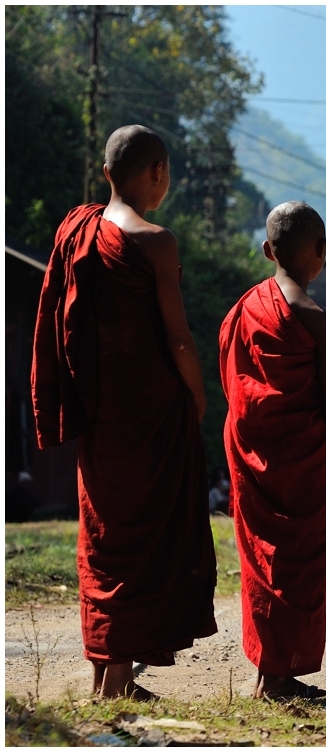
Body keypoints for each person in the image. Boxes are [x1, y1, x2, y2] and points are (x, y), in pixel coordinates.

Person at [31, 124, 217, 699]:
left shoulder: (76, 231)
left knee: (105, 536)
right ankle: (117, 679)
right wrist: (198, 395)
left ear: (107, 173)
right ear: (158, 173)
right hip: (153, 415)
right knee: (148, 538)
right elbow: (179, 338)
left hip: (102, 412)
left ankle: (103, 673)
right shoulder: (154, 242)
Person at [219, 201, 326, 700]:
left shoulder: (242, 309)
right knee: (296, 562)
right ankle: (276, 676)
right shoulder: (318, 319)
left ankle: (269, 670)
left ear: (266, 250)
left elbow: (235, 384)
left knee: (262, 560)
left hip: (252, 449)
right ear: (320, 253)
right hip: (304, 457)